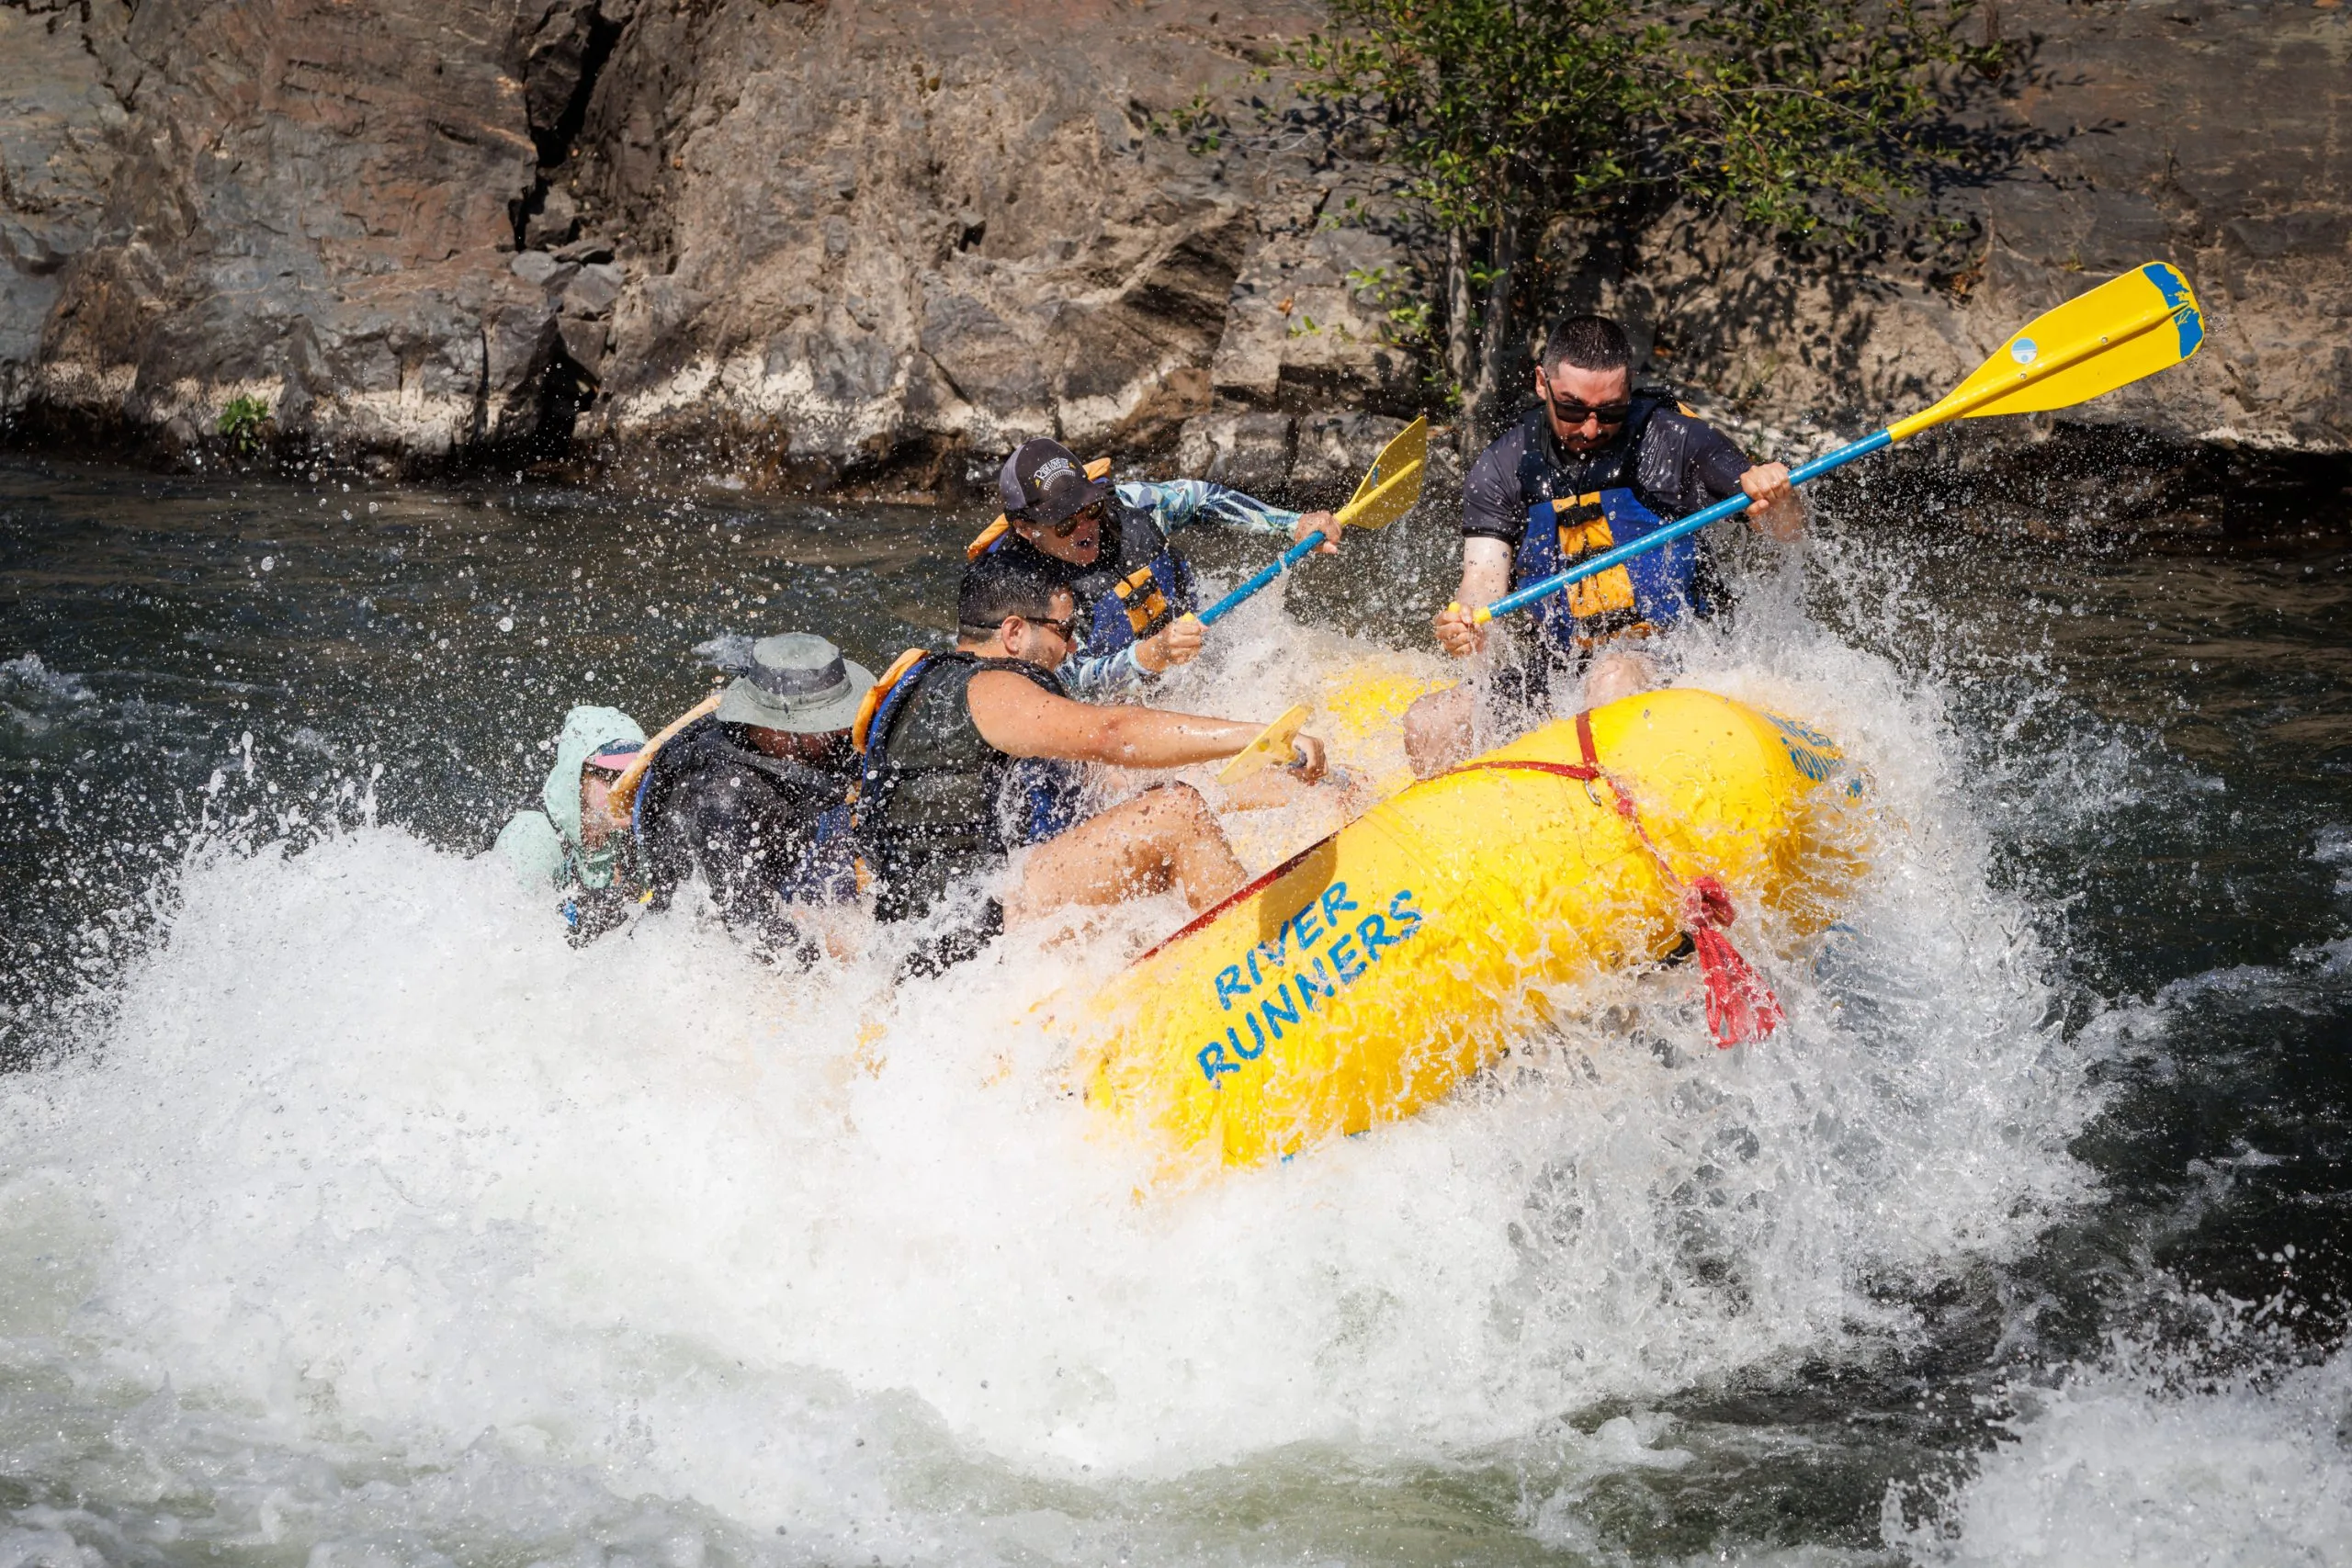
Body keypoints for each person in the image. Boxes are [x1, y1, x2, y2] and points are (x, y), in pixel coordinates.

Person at [854, 550, 1330, 972]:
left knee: (1172, 798)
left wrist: (1273, 779)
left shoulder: (939, 689)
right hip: (966, 939)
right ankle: (1264, 976)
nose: (1075, 647)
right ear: (1015, 632)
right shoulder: (988, 689)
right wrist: (1263, 736)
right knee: (1177, 814)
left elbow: (1110, 782)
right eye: (1064, 630)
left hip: (952, 927)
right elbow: (1113, 734)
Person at [1403, 314, 1805, 776]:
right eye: (1573, 410)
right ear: (1542, 383)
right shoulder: (1502, 467)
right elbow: (1483, 581)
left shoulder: (1676, 440)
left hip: (1677, 657)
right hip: (1562, 666)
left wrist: (1777, 497)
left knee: (1612, 678)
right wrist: (1469, 622)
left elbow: (1786, 532)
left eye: (1610, 411)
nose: (1592, 429)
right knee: (1429, 722)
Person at [968, 437, 1340, 696]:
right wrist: (1149, 655)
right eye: (1065, 523)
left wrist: (1292, 523)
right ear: (1025, 528)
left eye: (1091, 510)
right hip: (1118, 712)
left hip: (1200, 665)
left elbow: (1200, 498)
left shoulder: (1130, 506)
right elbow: (1062, 680)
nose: (1086, 528)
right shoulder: (1018, 592)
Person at [631, 633, 873, 952]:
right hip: (699, 952)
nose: (845, 731)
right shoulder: (718, 797)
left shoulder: (811, 751)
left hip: (778, 903)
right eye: (831, 722)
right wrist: (844, 961)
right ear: (777, 728)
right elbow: (751, 933)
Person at [493, 704, 648, 942]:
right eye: (611, 776)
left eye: (636, 774)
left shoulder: (642, 834)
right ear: (577, 778)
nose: (626, 789)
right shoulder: (532, 840)